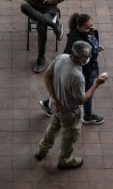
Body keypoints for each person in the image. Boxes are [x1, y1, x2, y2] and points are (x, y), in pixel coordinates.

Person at [34, 41, 108, 169]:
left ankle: (42, 151)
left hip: (55, 106)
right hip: (69, 113)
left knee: (53, 128)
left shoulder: (61, 58)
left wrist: (54, 98)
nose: (89, 58)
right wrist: (97, 84)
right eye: (87, 56)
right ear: (80, 58)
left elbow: (46, 76)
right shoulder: (77, 76)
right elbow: (81, 100)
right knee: (69, 136)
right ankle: (65, 160)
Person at [39, 13, 106, 125]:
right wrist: (97, 84)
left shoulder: (82, 34)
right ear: (79, 28)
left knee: (60, 88)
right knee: (87, 91)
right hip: (87, 71)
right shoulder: (77, 73)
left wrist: (95, 47)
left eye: (92, 25)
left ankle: (47, 104)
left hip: (90, 67)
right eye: (88, 27)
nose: (92, 29)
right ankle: (88, 116)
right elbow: (81, 100)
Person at [20, 0, 66, 73]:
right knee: (23, 6)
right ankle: (55, 26)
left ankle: (41, 58)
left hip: (49, 8)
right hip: (34, 7)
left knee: (41, 25)